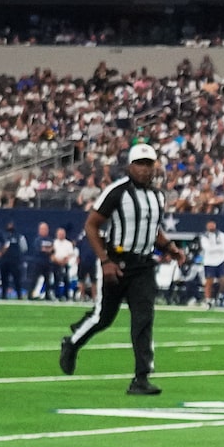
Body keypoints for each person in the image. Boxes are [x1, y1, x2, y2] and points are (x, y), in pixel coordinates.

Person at [59, 139, 187, 395]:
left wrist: (170, 248)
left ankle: (141, 377)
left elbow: (152, 230)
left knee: (144, 319)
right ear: (130, 166)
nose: (144, 169)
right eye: (139, 164)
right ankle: (72, 343)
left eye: (149, 164)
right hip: (116, 262)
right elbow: (91, 225)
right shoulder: (116, 191)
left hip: (143, 265)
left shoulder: (157, 196)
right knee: (103, 318)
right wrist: (105, 261)